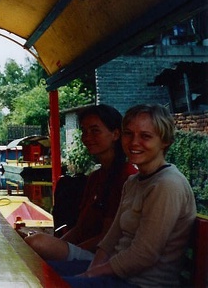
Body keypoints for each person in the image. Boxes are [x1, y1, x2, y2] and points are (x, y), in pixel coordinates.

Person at [57, 104, 197, 287]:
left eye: (145, 136)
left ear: (165, 141)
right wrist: (91, 271)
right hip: (114, 276)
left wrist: (90, 276)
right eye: (128, 134)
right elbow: (110, 239)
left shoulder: (167, 184)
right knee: (39, 271)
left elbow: (143, 255)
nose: (133, 142)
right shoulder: (132, 182)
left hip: (142, 283)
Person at [25, 104, 138, 261]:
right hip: (85, 249)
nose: (87, 137)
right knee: (32, 242)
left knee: (36, 242)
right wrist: (58, 245)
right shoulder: (95, 177)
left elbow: (108, 237)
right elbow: (80, 228)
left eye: (95, 131)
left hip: (104, 257)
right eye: (84, 131)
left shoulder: (126, 176)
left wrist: (69, 252)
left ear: (115, 134)